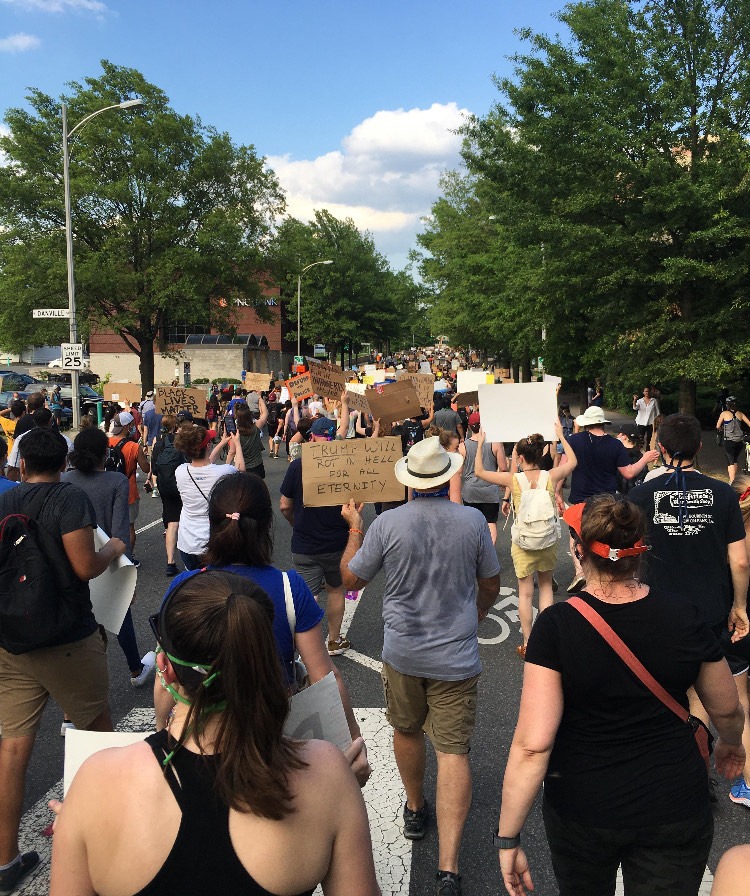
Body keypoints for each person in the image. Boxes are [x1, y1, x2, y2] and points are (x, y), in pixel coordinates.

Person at [48, 569, 380, 896]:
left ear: (165, 669)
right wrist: (342, 787)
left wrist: (78, 829)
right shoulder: (326, 772)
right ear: (262, 662)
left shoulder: (96, 783)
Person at [496, 494, 745, 896]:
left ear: (578, 552)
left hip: (582, 807)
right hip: (674, 802)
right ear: (641, 549)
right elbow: (727, 708)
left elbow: (533, 746)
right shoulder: (683, 614)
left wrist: (508, 837)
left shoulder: (556, 625)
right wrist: (731, 744)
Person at [340, 437, 500, 896]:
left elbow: (351, 580)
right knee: (453, 751)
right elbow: (490, 581)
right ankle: (448, 868)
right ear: (446, 474)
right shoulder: (471, 521)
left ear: (409, 480)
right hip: (456, 653)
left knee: (406, 730)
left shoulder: (388, 523)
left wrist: (354, 526)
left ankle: (414, 807)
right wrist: (479, 614)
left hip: (403, 651)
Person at [152, 473, 368, 778]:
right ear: (266, 526)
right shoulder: (289, 587)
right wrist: (353, 740)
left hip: (198, 735)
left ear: (212, 524)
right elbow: (323, 675)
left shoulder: (182, 586)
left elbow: (165, 677)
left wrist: (162, 732)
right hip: (270, 732)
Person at [0, 428, 125, 894]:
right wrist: (113, 547)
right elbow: (85, 566)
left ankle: (5, 858)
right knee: (99, 735)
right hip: (67, 636)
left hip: (12, 638)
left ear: (23, 462)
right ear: (62, 460)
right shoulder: (68, 499)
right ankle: (109, 841)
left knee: (12, 749)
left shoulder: (5, 499)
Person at [630, 414, 750, 768]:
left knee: (663, 686)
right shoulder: (725, 494)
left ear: (660, 448)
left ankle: (669, 766)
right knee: (712, 686)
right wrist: (739, 606)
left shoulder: (640, 494)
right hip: (711, 608)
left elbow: (630, 556)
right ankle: (712, 767)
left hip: (657, 608)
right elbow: (740, 561)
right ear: (699, 447)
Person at [63, 428, 155, 687]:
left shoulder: (65, 480)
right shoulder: (116, 481)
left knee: (80, 621)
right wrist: (127, 578)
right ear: (105, 453)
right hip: (105, 558)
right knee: (120, 612)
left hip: (70, 560)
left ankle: (73, 701)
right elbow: (119, 536)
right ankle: (135, 670)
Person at [475, 425, 576, 657]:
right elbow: (572, 462)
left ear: (519, 457)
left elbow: (479, 471)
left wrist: (481, 444)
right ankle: (548, 641)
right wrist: (561, 436)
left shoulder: (514, 480)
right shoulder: (550, 476)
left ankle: (529, 643)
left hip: (523, 543)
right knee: (547, 589)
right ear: (541, 454)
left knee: (525, 593)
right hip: (547, 540)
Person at [556, 405, 658, 592]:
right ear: (602, 423)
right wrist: (645, 459)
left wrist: (557, 493)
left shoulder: (574, 440)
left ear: (587, 423)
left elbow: (563, 469)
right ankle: (603, 572)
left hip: (579, 498)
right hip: (606, 500)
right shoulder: (615, 444)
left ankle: (580, 572)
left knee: (576, 534)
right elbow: (628, 473)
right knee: (604, 535)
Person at [280, 395, 351, 656]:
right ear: (331, 438)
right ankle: (334, 640)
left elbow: (285, 505)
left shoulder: (298, 466)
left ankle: (303, 648)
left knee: (306, 596)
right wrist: (344, 404)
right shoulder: (345, 464)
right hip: (337, 542)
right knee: (335, 590)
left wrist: (294, 523)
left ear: (312, 438)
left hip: (305, 541)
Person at [173, 424, 240, 570]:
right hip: (213, 543)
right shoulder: (224, 471)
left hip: (187, 543)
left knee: (195, 586)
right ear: (208, 446)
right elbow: (241, 469)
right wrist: (237, 443)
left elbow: (206, 463)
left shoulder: (180, 471)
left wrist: (222, 443)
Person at [108, 412, 150, 563]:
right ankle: (128, 558)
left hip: (108, 489)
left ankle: (109, 555)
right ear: (127, 427)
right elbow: (145, 468)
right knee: (129, 526)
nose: (133, 428)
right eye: (132, 425)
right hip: (128, 490)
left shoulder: (106, 442)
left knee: (109, 524)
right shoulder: (133, 446)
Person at [458, 412, 506, 544]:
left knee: (472, 524)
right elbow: (503, 467)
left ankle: (474, 554)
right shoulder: (494, 444)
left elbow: (460, 471)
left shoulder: (463, 446)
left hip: (470, 491)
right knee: (491, 523)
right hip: (490, 489)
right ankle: (489, 555)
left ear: (469, 427)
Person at [151, 415, 184, 576]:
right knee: (185, 519)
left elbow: (155, 468)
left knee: (171, 523)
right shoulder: (180, 441)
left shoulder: (159, 442)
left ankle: (170, 562)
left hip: (165, 487)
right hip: (180, 484)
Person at [229, 403, 268, 478]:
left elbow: (232, 452)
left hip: (242, 466)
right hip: (257, 465)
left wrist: (226, 466)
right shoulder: (256, 426)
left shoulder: (235, 433)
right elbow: (265, 412)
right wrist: (260, 397)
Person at [716, 397, 749, 483]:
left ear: (727, 404)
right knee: (734, 459)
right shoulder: (740, 414)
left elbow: (718, 426)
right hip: (739, 441)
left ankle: (732, 482)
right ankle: (734, 480)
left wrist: (723, 429)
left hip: (729, 441)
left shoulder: (724, 413)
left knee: (730, 461)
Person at [615, 422, 647, 495]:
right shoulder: (642, 455)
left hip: (620, 495)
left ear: (624, 436)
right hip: (638, 494)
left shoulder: (619, 454)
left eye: (620, 433)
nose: (617, 436)